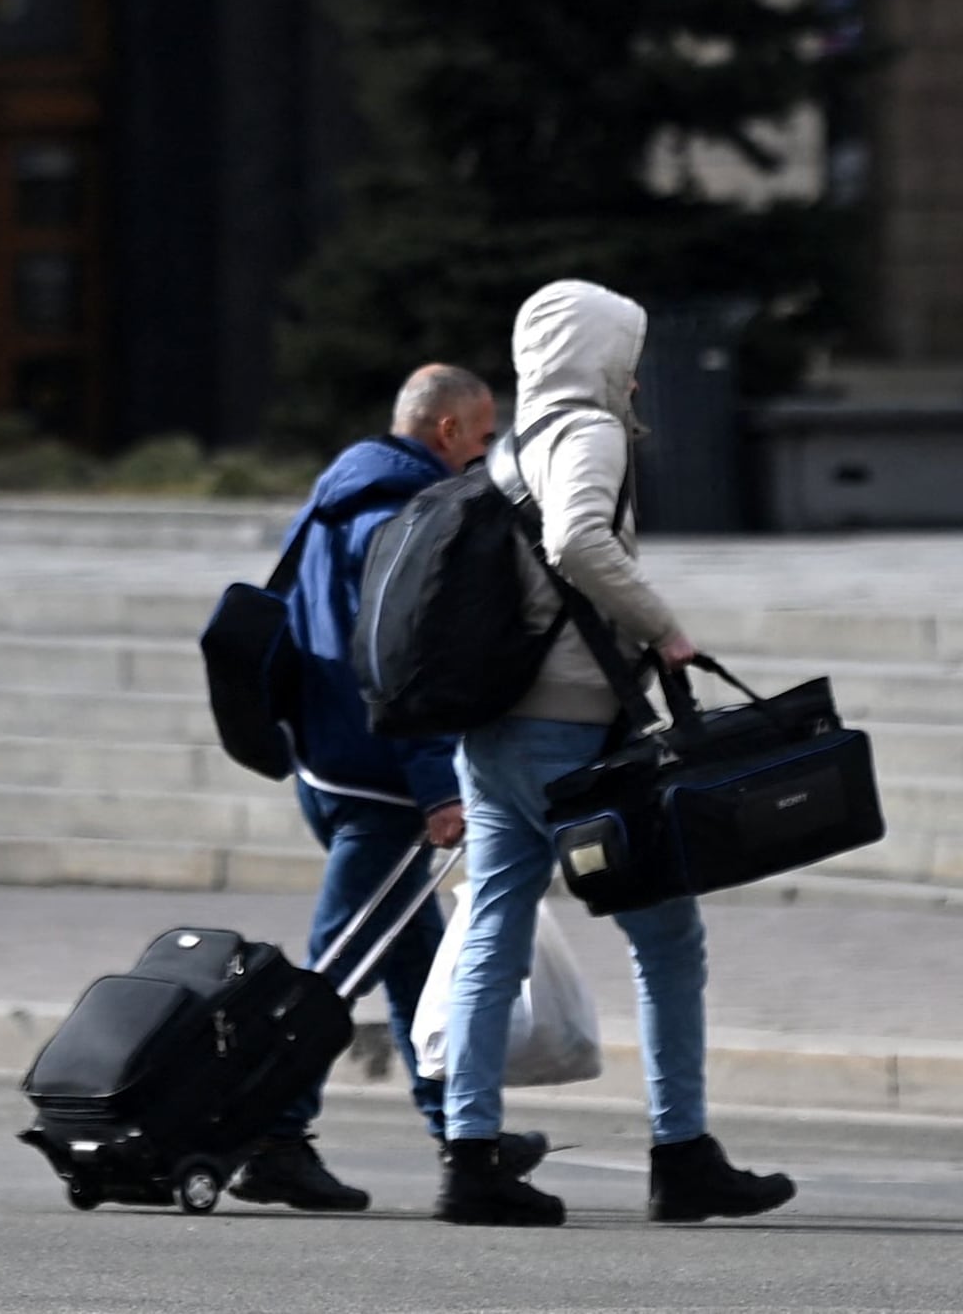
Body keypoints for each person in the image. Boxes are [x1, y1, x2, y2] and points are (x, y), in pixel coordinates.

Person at [428, 279, 792, 1231]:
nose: (634, 375)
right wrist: (666, 630)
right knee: (669, 938)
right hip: (572, 734)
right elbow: (580, 538)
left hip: (497, 732)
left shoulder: (512, 443)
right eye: (625, 354)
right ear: (598, 355)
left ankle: (471, 1157)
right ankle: (682, 1154)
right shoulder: (587, 434)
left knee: (491, 934)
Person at [235, 364, 530, 1214]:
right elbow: (405, 664)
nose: (485, 454)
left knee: (411, 963)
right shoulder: (402, 515)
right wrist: (439, 783)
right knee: (332, 975)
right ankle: (272, 1139)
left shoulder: (338, 494)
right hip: (381, 780)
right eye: (480, 438)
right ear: (446, 432)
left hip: (329, 762)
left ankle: (460, 1130)